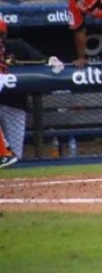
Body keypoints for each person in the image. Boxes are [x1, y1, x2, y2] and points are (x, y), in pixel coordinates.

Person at [0, 18, 54, 167]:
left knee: (16, 154)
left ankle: (5, 154)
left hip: (11, 99)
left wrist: (51, 60)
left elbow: (43, 60)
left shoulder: (14, 46)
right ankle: (4, 152)